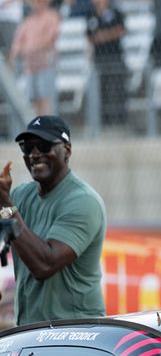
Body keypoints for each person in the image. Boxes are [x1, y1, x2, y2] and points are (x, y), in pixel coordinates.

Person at [0, 116, 106, 325]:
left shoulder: (83, 201)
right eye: (27, 147)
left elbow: (45, 265)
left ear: (67, 150)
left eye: (44, 145)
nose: (34, 154)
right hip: (29, 329)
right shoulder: (20, 195)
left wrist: (6, 205)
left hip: (76, 331)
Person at [9, 0, 60, 117]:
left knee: (45, 99)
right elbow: (17, 43)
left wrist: (28, 48)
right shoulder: (28, 21)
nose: (38, 3)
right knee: (33, 100)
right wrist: (22, 50)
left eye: (41, 0)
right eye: (36, 0)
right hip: (30, 66)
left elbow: (49, 39)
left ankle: (46, 126)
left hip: (46, 64)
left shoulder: (52, 17)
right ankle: (38, 126)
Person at [85, 0, 128, 127]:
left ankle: (120, 120)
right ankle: (104, 121)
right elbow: (90, 36)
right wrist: (107, 35)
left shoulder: (115, 12)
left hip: (115, 56)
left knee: (117, 89)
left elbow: (121, 29)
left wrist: (102, 36)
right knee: (101, 90)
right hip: (99, 58)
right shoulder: (91, 14)